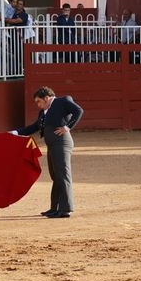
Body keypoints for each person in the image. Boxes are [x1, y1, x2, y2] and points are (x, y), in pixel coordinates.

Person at [9, 86, 84, 218]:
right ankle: (55, 208)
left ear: (46, 98)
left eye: (39, 101)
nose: (38, 105)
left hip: (62, 143)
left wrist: (67, 127)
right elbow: (33, 127)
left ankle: (66, 209)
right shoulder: (43, 113)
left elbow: (78, 110)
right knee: (56, 176)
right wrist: (14, 133)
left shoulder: (63, 101)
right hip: (53, 145)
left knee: (63, 174)